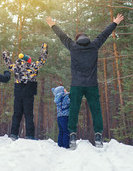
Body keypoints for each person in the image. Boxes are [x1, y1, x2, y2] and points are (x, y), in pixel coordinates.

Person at [46, 14, 124, 149]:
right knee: (96, 109)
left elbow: (62, 36)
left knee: (74, 110)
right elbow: (104, 34)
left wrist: (53, 25)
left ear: (77, 40)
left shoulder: (73, 46)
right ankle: (98, 135)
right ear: (87, 39)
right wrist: (115, 22)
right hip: (91, 85)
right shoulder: (94, 45)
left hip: (76, 85)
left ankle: (72, 136)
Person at [3, 43, 48, 140]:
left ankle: (13, 134)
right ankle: (29, 135)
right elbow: (42, 60)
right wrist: (44, 48)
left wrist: (5, 53)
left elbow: (8, 63)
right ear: (28, 60)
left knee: (17, 114)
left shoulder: (15, 67)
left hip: (18, 93)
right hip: (29, 93)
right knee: (29, 115)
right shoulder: (33, 66)